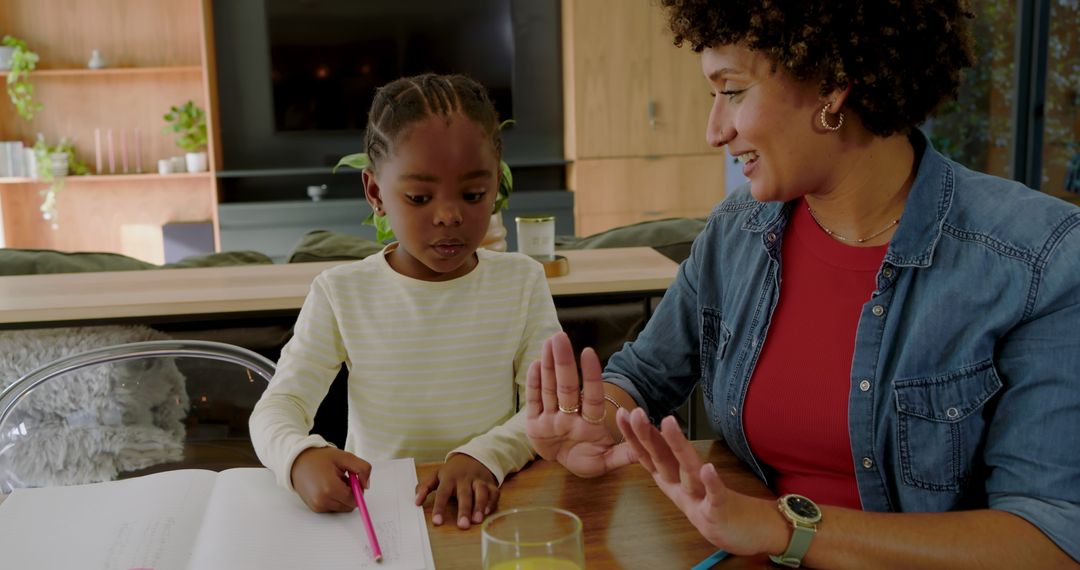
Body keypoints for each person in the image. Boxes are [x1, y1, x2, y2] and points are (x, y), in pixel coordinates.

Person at [525, 1, 1080, 567]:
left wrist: (785, 528)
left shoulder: (1038, 260)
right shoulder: (735, 233)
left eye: (733, 90)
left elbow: (1050, 538)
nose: (714, 130)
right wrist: (595, 423)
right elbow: (643, 376)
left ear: (833, 86)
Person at [251, 73, 561, 530]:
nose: (450, 214)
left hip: (490, 507)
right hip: (379, 515)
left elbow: (549, 409)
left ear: (496, 184)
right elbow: (279, 406)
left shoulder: (523, 282)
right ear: (376, 192)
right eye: (419, 197)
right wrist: (299, 458)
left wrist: (486, 455)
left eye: (474, 194)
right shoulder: (341, 293)